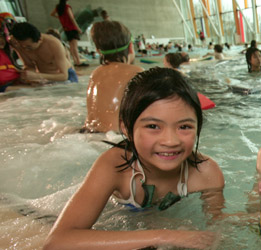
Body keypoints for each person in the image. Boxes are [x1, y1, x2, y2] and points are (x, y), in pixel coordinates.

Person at [44, 68, 225, 249]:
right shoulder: (115, 166)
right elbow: (56, 242)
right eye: (153, 126)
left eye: (184, 126)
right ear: (126, 128)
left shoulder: (206, 172)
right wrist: (165, 236)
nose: (170, 141)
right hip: (115, 216)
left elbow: (218, 228)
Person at [82, 20, 143, 133]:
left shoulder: (95, 73)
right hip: (114, 136)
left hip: (88, 132)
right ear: (130, 47)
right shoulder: (136, 72)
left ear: (98, 51)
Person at [9, 22, 77, 83]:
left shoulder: (54, 44)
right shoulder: (19, 44)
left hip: (66, 76)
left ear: (40, 40)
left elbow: (64, 76)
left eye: (29, 47)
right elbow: (29, 65)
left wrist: (37, 76)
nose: (26, 49)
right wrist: (27, 74)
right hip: (43, 77)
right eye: (23, 47)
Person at [50, 0, 87, 67]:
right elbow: (72, 18)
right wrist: (78, 28)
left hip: (66, 29)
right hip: (72, 28)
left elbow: (52, 14)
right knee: (74, 46)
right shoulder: (67, 7)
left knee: (71, 46)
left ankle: (76, 61)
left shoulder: (58, 7)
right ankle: (78, 62)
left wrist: (60, 17)